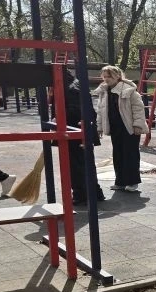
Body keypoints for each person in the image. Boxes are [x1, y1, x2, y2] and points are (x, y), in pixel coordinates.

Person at [94, 65, 147, 192]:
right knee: (118, 154)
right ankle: (121, 181)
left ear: (117, 76)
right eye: (105, 77)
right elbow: (101, 110)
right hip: (115, 127)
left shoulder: (128, 90)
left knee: (131, 154)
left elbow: (138, 108)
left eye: (109, 76)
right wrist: (99, 127)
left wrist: (138, 125)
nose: (106, 79)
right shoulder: (104, 91)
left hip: (128, 126)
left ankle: (132, 181)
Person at [57, 69, 105, 205]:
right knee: (85, 163)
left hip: (76, 131)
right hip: (81, 130)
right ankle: (93, 192)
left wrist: (58, 118)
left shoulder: (69, 89)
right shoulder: (74, 85)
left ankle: (82, 193)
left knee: (77, 165)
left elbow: (75, 111)